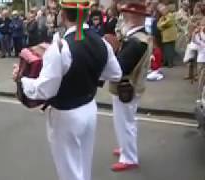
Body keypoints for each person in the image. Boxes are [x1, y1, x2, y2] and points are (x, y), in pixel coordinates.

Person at [13, 0, 122, 179]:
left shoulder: (60, 48)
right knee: (84, 165)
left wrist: (22, 80)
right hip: (89, 108)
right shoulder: (103, 43)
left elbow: (44, 90)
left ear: (63, 16)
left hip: (66, 115)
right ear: (87, 15)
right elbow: (115, 74)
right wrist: (88, 75)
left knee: (69, 170)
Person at [109, 1, 153, 171]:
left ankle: (129, 157)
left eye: (125, 15)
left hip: (126, 87)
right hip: (133, 86)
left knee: (125, 122)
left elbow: (119, 68)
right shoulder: (140, 37)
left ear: (133, 17)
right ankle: (125, 147)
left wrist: (111, 52)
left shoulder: (136, 41)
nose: (123, 18)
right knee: (126, 121)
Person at [157, 3, 178, 68]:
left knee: (170, 50)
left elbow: (166, 23)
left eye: (163, 10)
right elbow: (158, 26)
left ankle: (170, 63)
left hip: (171, 36)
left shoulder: (170, 15)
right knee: (166, 50)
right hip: (165, 36)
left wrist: (161, 25)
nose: (162, 12)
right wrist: (161, 25)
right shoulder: (162, 18)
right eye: (161, 11)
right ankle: (166, 62)